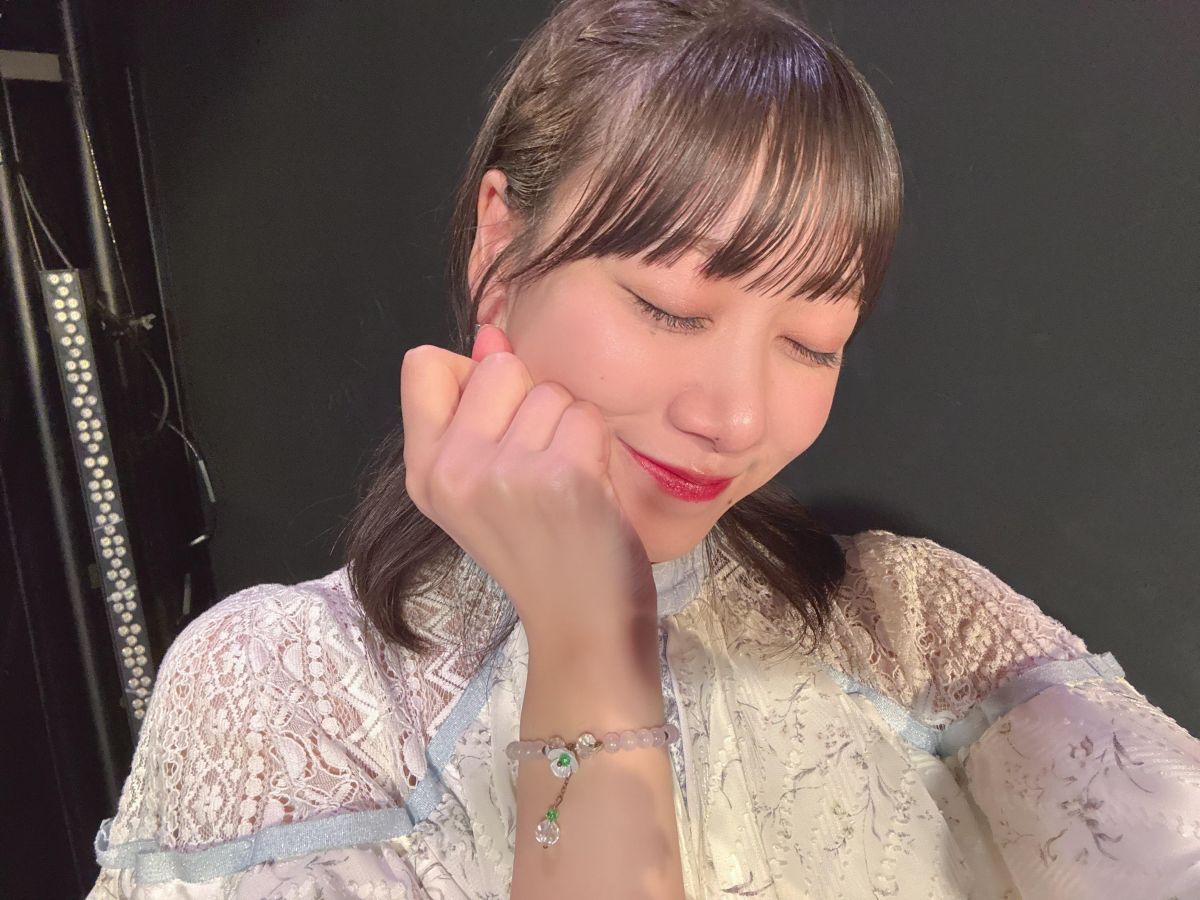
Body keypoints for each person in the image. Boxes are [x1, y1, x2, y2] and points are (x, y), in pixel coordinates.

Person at [88, 0, 1200, 897]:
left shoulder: (918, 626)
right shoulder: (284, 694)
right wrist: (587, 638)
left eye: (812, 344)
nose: (738, 418)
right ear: (501, 240)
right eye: (671, 308)